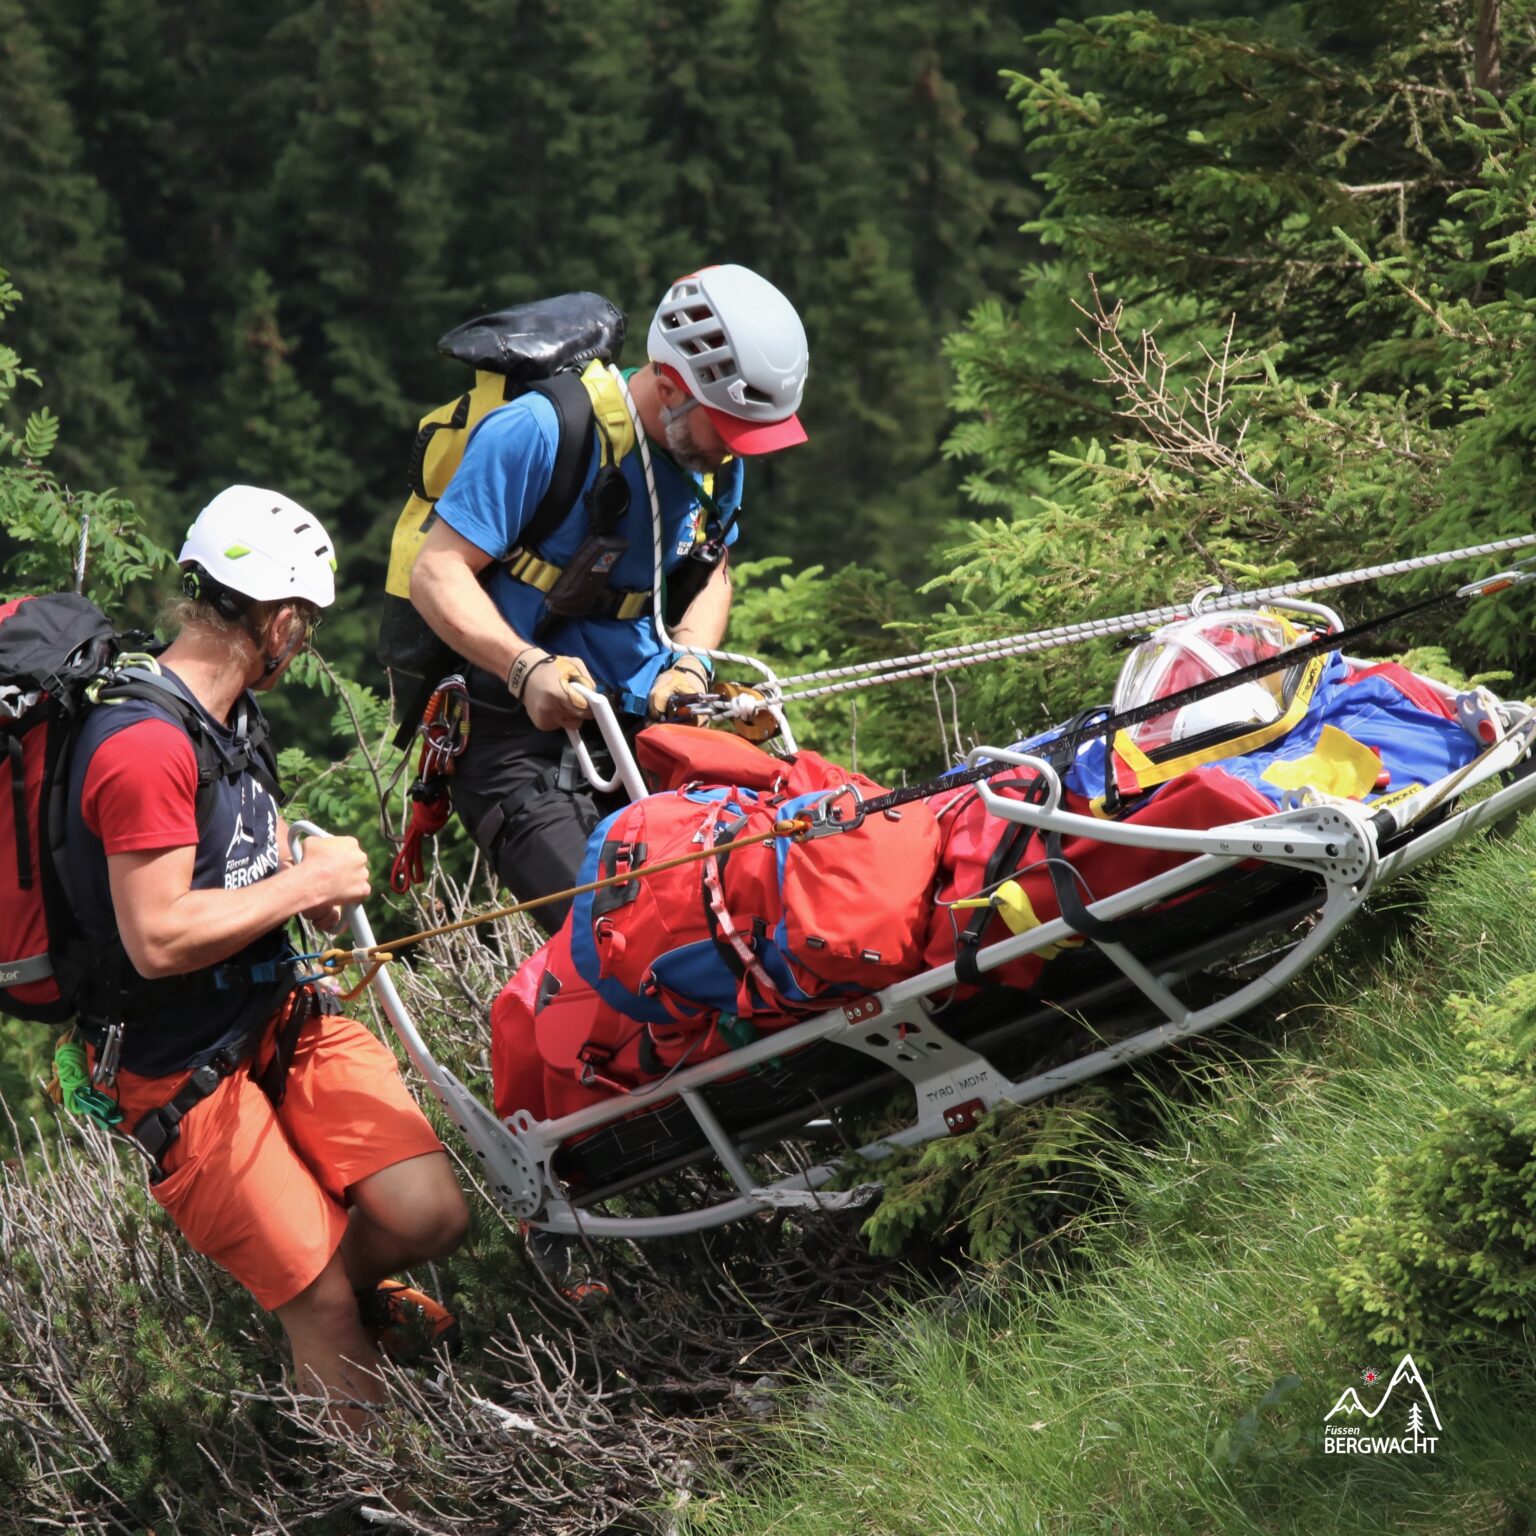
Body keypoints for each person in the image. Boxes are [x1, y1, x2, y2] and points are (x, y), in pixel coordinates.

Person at [63, 486, 470, 1431]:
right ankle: (381, 1488)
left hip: (276, 1008)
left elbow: (242, 855)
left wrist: (300, 876)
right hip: (177, 1071)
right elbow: (156, 937)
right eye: (307, 625)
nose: (305, 643)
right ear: (280, 618)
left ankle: (322, 1292)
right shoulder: (142, 744)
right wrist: (304, 880)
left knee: (428, 1213)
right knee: (323, 1303)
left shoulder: (232, 719)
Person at [410, 263, 809, 930]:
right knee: (617, 933)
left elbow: (712, 572)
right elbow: (437, 572)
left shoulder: (713, 461)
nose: (741, 454)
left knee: (747, 906)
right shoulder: (542, 431)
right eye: (730, 430)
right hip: (515, 736)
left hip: (641, 727)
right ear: (674, 387)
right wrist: (523, 665)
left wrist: (690, 663)